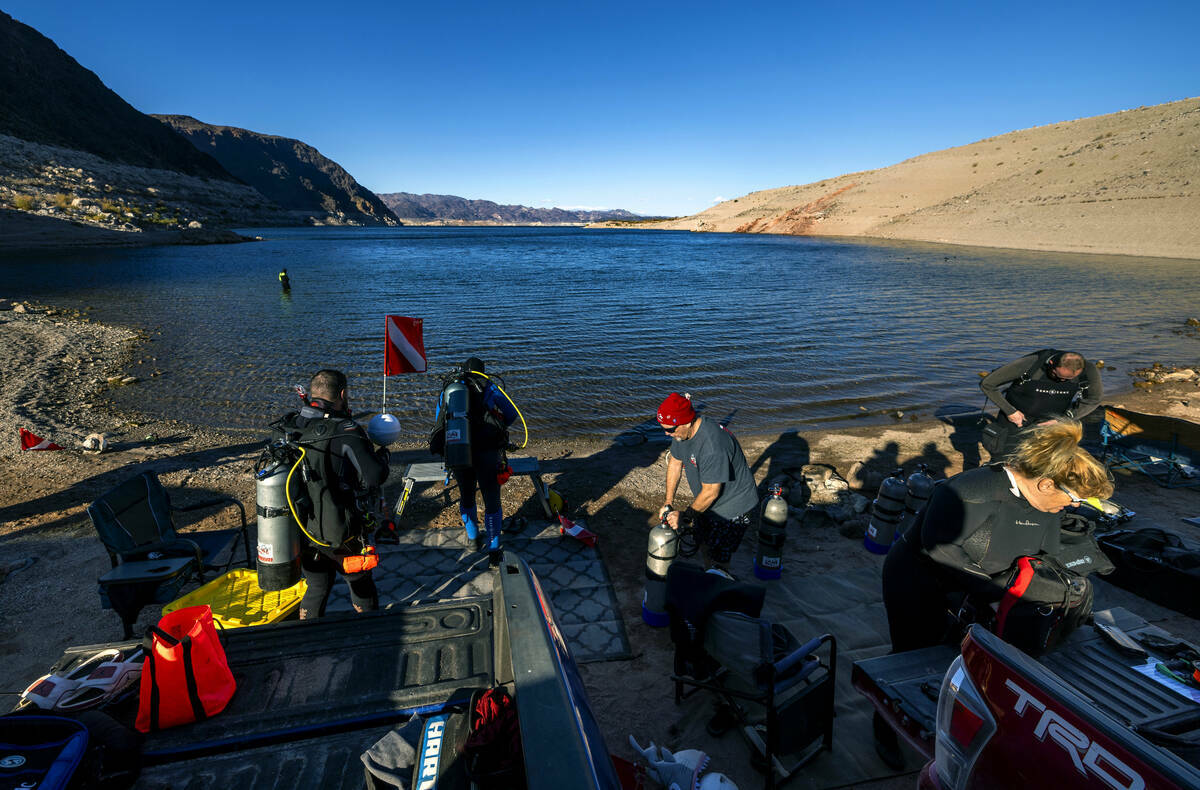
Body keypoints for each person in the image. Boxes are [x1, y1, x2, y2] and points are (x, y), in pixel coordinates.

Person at [873, 420, 1113, 766]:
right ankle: (884, 728)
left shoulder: (1045, 505)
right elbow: (941, 550)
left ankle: (958, 723)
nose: (1075, 505)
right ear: (1046, 483)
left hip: (977, 581)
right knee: (911, 654)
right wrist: (997, 591)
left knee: (965, 656)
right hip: (917, 578)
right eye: (1074, 498)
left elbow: (1042, 554)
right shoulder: (969, 489)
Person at [281, 369, 389, 619]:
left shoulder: (291, 425)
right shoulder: (345, 430)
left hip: (300, 529)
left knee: (317, 586)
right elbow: (374, 477)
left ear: (312, 393)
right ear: (342, 394)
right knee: (361, 584)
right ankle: (369, 631)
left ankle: (309, 637)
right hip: (342, 532)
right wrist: (383, 456)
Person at [656, 392, 759, 571]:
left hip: (733, 507)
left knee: (719, 557)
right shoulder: (681, 434)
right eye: (663, 428)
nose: (667, 433)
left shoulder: (712, 446)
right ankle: (708, 572)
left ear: (687, 421)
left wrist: (685, 517)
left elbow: (711, 492)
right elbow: (675, 462)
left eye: (670, 429)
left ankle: (719, 583)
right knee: (703, 542)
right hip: (708, 503)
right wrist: (668, 502)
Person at [433, 357, 518, 561]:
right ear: (482, 372)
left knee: (467, 496)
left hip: (459, 449)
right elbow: (512, 415)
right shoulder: (488, 386)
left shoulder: (451, 390)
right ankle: (494, 549)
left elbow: (439, 418)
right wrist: (497, 424)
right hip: (487, 452)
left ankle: (473, 540)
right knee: (491, 500)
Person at [979, 349, 1102, 456]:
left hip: (1052, 424)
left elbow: (1093, 399)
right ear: (1051, 363)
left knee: (1043, 465)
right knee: (1004, 459)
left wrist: (1064, 419)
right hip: (1015, 420)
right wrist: (1010, 411)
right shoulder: (1031, 363)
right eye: (1058, 376)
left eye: (1067, 379)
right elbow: (987, 384)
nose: (1061, 381)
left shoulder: (1089, 370)